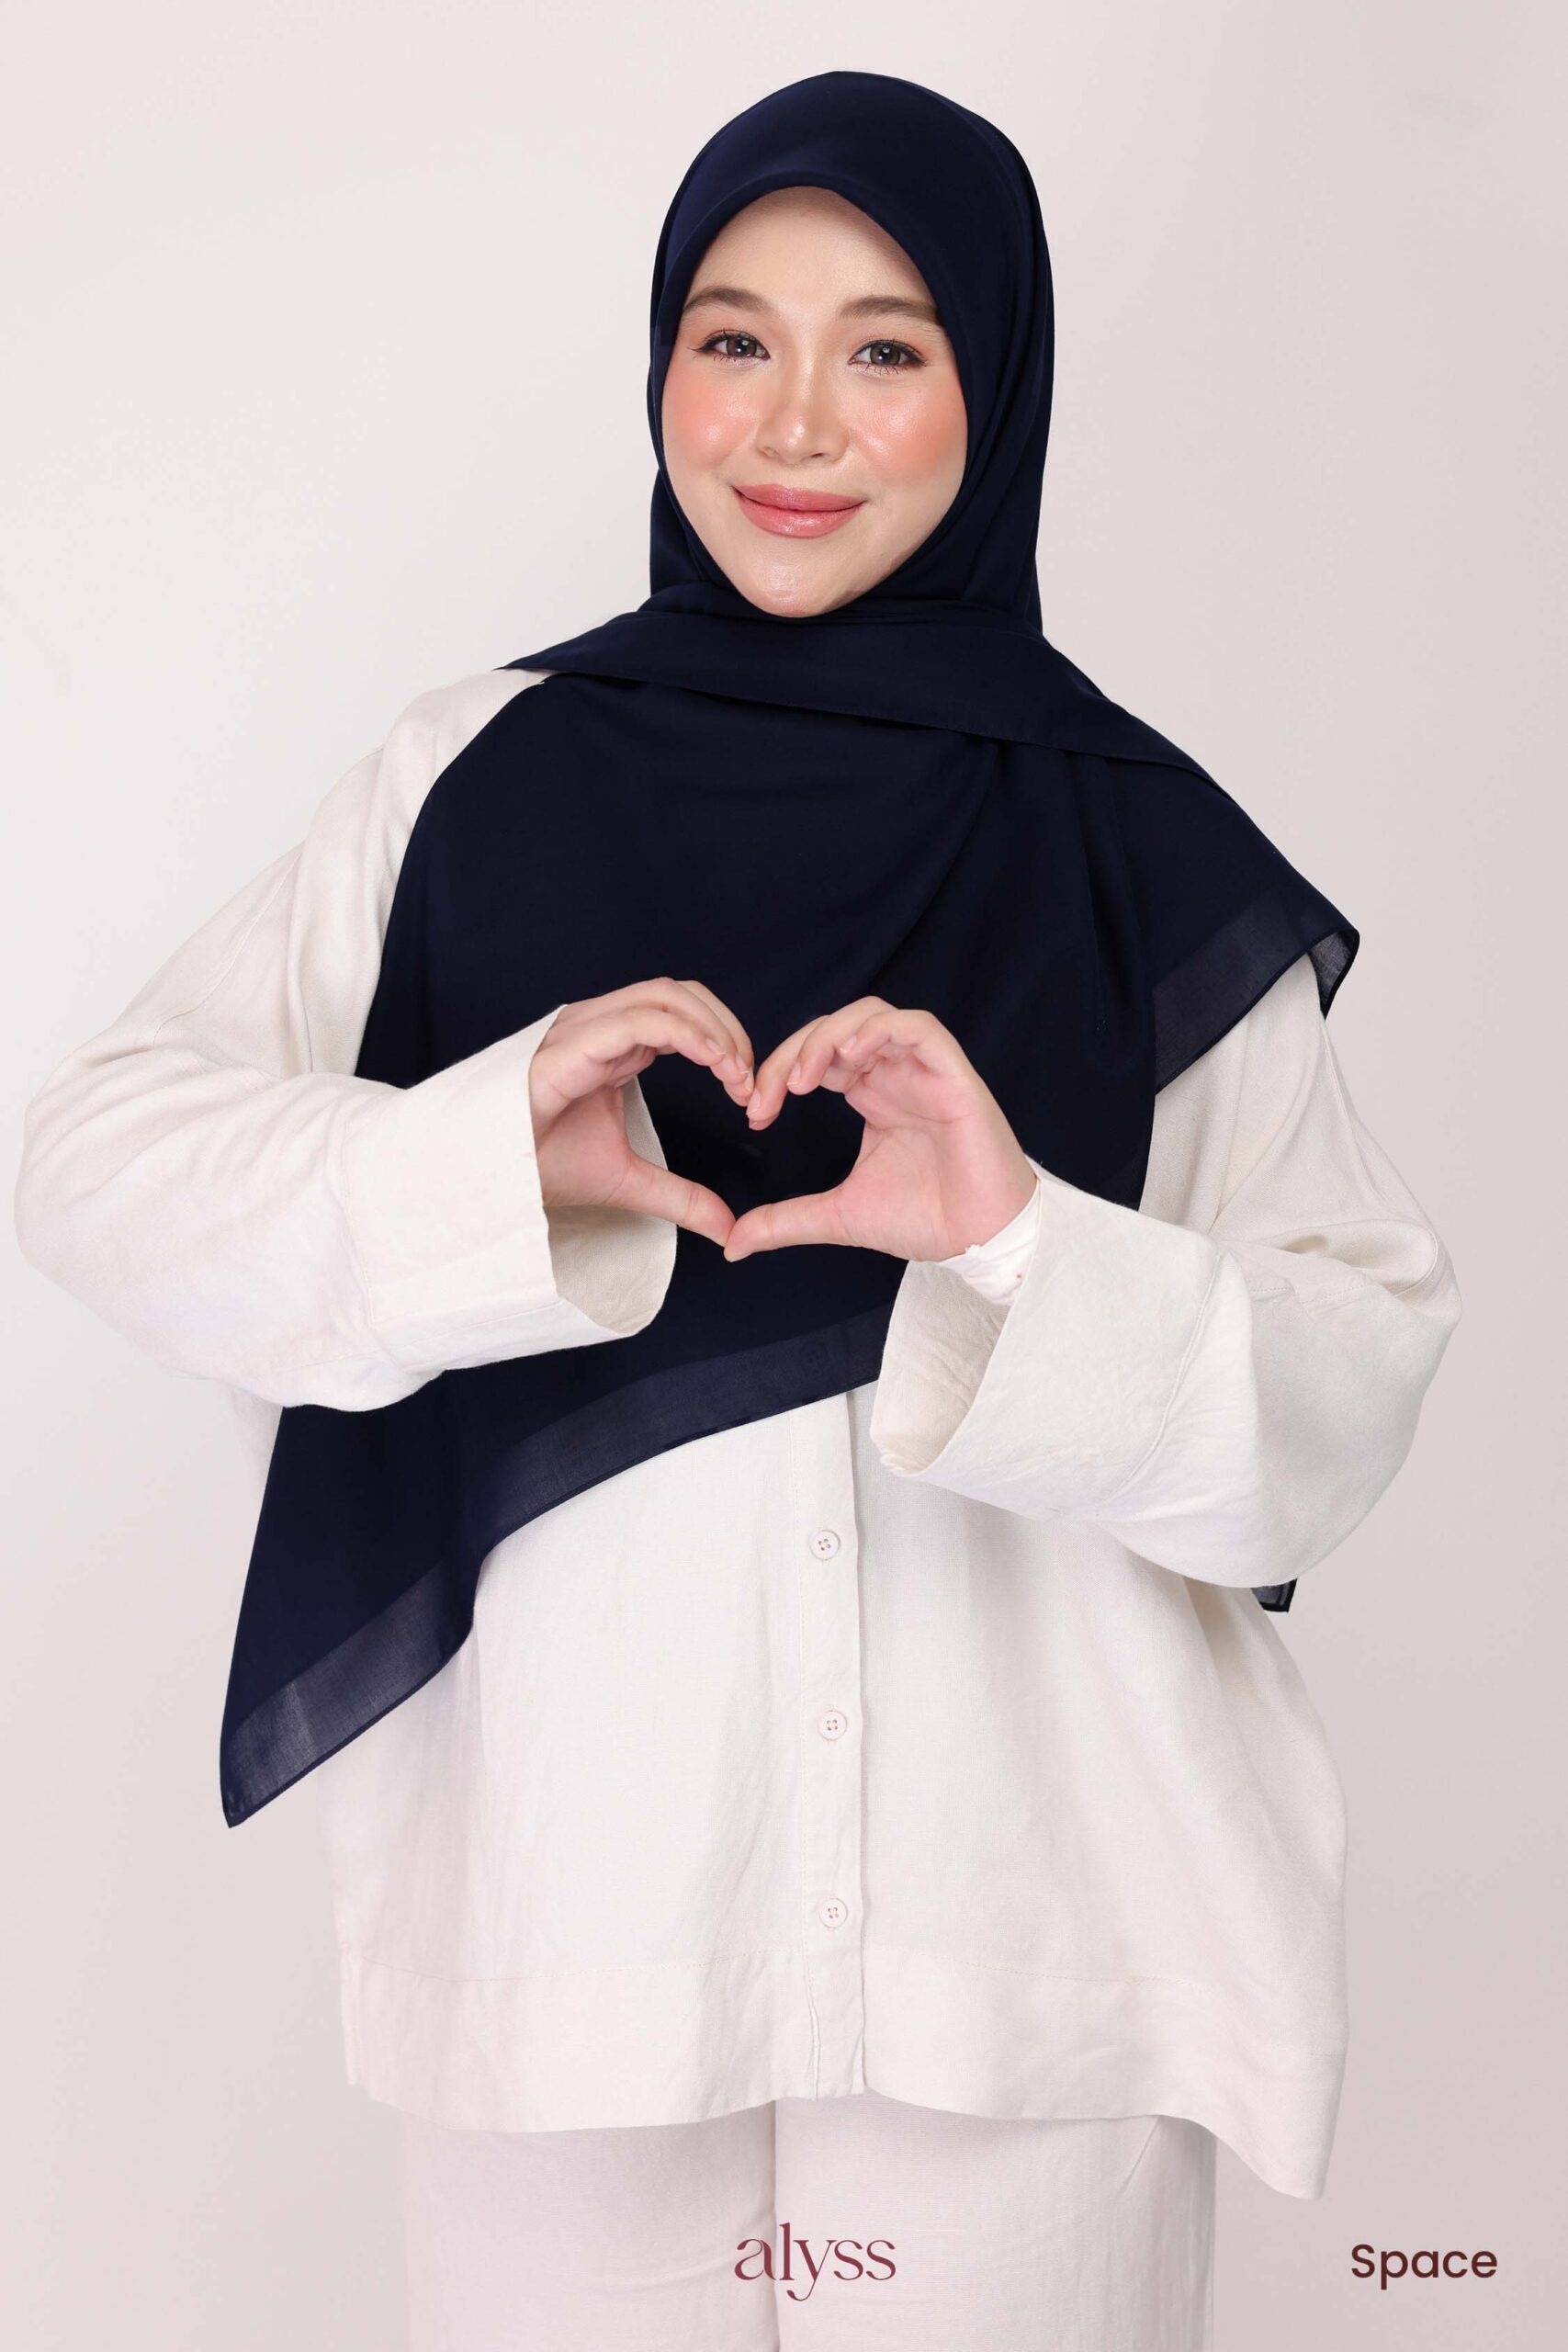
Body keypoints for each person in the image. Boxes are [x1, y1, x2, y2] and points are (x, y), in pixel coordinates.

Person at [14, 70, 1461, 2352]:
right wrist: (483, 1162)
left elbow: (1339, 1405)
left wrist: (1016, 1245)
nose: (790, 421)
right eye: (730, 336)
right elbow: (98, 1163)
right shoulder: (467, 779)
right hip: (571, 1954)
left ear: (996, 382)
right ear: (661, 365)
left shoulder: (1134, 843)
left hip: (1032, 1975)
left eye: (883, 344)